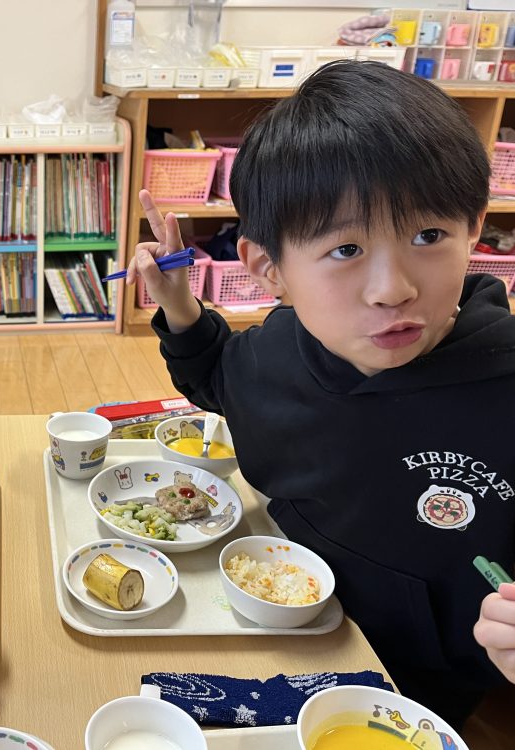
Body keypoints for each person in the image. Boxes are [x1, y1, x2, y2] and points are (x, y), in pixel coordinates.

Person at [129, 60, 515, 727]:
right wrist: (179, 306)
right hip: (274, 628)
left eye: (428, 236)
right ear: (268, 269)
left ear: (474, 227)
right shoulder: (278, 350)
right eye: (346, 250)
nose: (393, 289)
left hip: (418, 690)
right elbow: (218, 378)